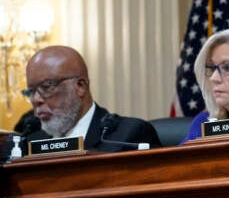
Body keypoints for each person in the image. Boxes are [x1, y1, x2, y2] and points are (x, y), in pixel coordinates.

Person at [23, 45, 161, 151]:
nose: (36, 100)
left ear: (80, 86)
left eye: (47, 87)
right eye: (31, 91)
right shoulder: (31, 143)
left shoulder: (129, 136)